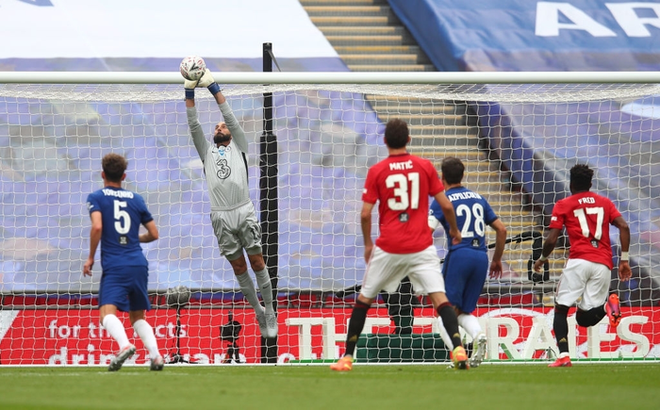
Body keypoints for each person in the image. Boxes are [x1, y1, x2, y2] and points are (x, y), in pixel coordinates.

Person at [330, 118, 468, 371]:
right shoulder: (424, 166)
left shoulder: (377, 171)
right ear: (408, 140)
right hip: (421, 246)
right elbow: (446, 205)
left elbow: (364, 214)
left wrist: (368, 244)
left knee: (364, 300)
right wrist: (455, 231)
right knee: (440, 299)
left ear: (384, 141)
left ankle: (347, 357)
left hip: (389, 246)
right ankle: (458, 348)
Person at [184, 69, 277, 339]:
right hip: (221, 216)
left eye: (222, 126)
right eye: (216, 127)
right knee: (239, 267)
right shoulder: (206, 151)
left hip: (243, 210)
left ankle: (270, 310)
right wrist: (189, 90)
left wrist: (213, 87)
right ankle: (258, 311)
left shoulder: (241, 146)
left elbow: (230, 118)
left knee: (258, 262)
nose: (219, 127)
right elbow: (194, 125)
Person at [533, 164, 631, 367]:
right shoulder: (605, 202)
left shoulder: (564, 204)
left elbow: (552, 239)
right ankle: (608, 305)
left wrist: (542, 258)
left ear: (570, 183)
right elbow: (624, 226)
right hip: (603, 263)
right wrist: (624, 260)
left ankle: (563, 356)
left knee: (561, 308)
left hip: (579, 260)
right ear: (591, 183)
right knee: (584, 319)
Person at [83, 153, 164, 371]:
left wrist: (90, 257)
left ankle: (124, 345)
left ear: (102, 174)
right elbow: (154, 234)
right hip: (138, 262)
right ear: (124, 176)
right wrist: (133, 237)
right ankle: (156, 356)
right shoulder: (136, 199)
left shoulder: (96, 197)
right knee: (137, 316)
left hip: (116, 264)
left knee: (106, 313)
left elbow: (97, 227)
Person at [428, 157, 507, 368]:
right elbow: (501, 229)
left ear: (442, 176)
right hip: (481, 257)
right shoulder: (478, 198)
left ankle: (458, 353)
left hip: (459, 256)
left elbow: (427, 231)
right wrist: (497, 259)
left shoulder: (443, 199)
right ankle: (478, 334)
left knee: (444, 311)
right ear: (463, 175)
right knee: (463, 311)